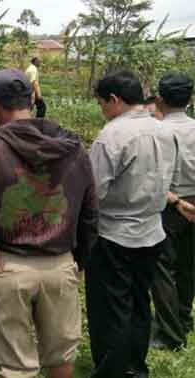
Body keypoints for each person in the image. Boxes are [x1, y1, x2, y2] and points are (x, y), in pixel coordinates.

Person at [0, 68, 98, 378]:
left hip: (8, 265)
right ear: (30, 99)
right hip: (60, 263)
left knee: (15, 365)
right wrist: (78, 260)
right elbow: (90, 213)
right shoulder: (73, 148)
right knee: (60, 357)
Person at [86, 70, 175, 378]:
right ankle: (136, 367)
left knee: (111, 310)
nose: (102, 111)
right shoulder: (164, 130)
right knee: (139, 302)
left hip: (115, 235)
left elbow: (92, 193)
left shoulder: (111, 135)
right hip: (152, 230)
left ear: (114, 100)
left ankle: (113, 371)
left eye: (102, 104)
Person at [150, 73, 195, 351]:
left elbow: (152, 176)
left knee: (162, 269)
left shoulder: (157, 132)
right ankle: (183, 319)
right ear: (190, 99)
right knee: (189, 267)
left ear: (159, 99)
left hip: (170, 205)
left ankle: (170, 334)